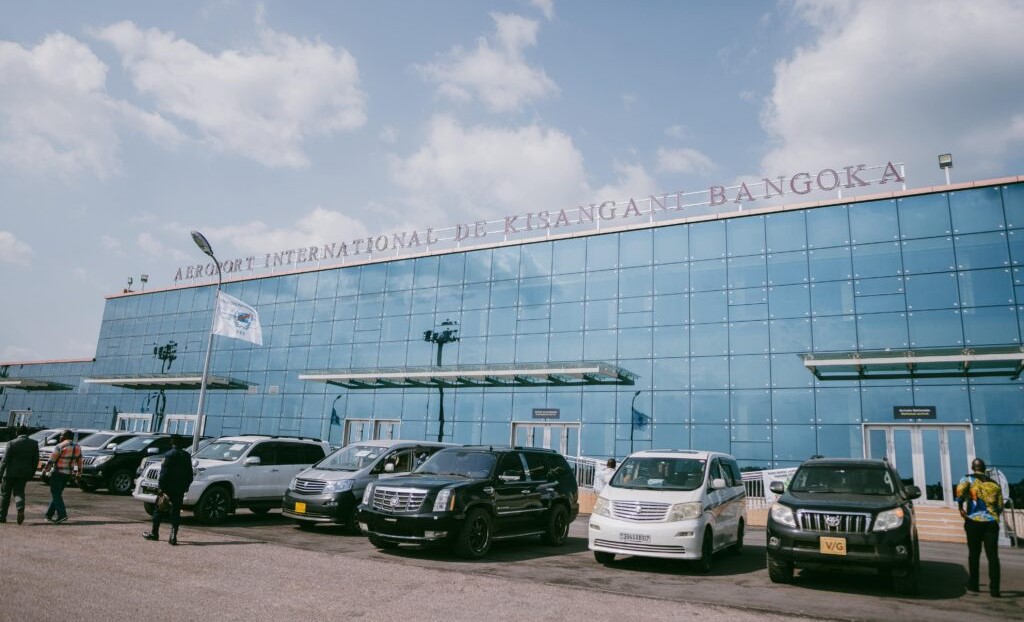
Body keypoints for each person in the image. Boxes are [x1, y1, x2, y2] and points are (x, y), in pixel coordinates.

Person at [956, 458, 1003, 597]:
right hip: (991, 522)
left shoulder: (967, 479)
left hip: (974, 521)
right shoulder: (994, 483)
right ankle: (995, 589)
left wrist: (961, 508)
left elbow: (959, 493)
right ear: (984, 468)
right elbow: (1000, 505)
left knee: (974, 554)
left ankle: (974, 583)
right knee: (993, 556)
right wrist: (993, 515)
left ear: (973, 468)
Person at [144, 435, 194, 545]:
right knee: (176, 513)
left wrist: (161, 488)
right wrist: (185, 486)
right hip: (179, 489)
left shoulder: (168, 454)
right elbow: (190, 475)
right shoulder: (186, 456)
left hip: (167, 488)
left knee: (159, 510)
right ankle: (173, 536)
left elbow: (164, 474)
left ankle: (154, 533)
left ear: (172, 442)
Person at [0, 425, 40, 524]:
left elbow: (4, 460)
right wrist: (32, 473)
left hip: (9, 474)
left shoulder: (11, 443)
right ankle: (20, 508)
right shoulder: (34, 444)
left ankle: (2, 516)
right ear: (28, 433)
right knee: (19, 492)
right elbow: (35, 460)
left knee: (5, 495)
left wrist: (0, 473)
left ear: (17, 433)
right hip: (24, 474)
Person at [43, 429, 83, 524]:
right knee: (57, 494)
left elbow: (51, 460)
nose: (60, 437)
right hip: (68, 474)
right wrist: (79, 473)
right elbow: (80, 462)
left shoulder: (60, 446)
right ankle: (48, 515)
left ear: (65, 436)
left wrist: (45, 470)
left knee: (55, 493)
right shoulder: (77, 447)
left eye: (61, 435)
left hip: (58, 473)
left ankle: (62, 515)